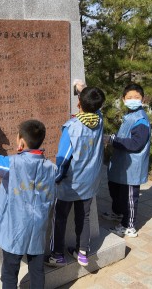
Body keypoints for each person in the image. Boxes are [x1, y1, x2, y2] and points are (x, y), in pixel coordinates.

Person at [0, 118, 57, 289]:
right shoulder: (51, 168)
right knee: (37, 270)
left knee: (10, 271)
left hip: (16, 227)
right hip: (38, 226)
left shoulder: (13, 163)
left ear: (21, 141)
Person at [46, 82, 105, 267]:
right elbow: (96, 109)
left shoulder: (72, 127)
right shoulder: (99, 120)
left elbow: (63, 159)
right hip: (90, 182)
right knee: (84, 216)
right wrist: (83, 90)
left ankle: (57, 255)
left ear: (79, 103)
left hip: (70, 183)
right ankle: (82, 252)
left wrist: (56, 179)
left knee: (60, 217)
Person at [100, 83, 152, 238]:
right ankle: (117, 213)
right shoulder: (129, 115)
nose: (133, 100)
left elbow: (136, 144)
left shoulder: (141, 120)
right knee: (115, 189)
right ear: (123, 99)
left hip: (132, 167)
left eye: (136, 97)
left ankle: (129, 226)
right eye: (129, 97)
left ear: (142, 99)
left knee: (129, 197)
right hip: (122, 163)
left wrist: (113, 140)